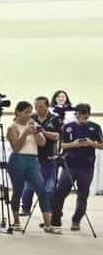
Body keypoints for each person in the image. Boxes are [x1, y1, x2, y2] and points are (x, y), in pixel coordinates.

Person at [6, 101, 57, 234]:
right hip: (18, 159)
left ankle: (47, 224)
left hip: (33, 160)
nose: (28, 115)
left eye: (30, 112)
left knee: (42, 190)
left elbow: (42, 143)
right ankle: (16, 221)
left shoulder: (34, 124)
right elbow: (16, 147)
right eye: (25, 112)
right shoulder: (12, 127)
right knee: (18, 190)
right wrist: (26, 133)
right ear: (18, 112)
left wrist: (35, 132)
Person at [21, 96, 65, 230]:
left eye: (41, 106)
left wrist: (42, 131)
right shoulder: (30, 118)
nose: (38, 108)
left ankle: (49, 217)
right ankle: (26, 208)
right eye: (36, 106)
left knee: (49, 188)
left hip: (50, 158)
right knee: (28, 186)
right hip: (32, 156)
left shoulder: (55, 119)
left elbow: (57, 136)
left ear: (47, 106)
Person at [57, 103, 101, 231]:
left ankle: (76, 220)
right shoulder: (67, 127)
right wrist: (74, 144)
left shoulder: (95, 127)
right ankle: (56, 217)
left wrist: (91, 143)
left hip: (87, 166)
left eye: (85, 117)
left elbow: (101, 145)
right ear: (76, 115)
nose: (83, 120)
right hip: (69, 165)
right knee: (61, 192)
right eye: (80, 117)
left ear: (89, 115)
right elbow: (62, 146)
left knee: (83, 194)